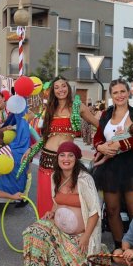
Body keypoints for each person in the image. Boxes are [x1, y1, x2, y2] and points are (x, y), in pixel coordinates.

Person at [22, 141, 106, 266]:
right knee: (33, 230)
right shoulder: (55, 176)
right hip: (58, 230)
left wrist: (86, 237)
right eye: (62, 155)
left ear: (76, 159)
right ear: (58, 158)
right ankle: (49, 258)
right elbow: (56, 201)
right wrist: (53, 212)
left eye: (70, 156)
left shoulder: (84, 179)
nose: (65, 159)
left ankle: (95, 251)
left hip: (81, 235)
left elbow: (94, 212)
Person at [92, 79, 133, 249]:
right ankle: (120, 246)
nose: (120, 95)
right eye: (115, 92)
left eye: (123, 91)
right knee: (112, 209)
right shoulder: (106, 114)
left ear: (129, 93)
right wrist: (101, 146)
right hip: (110, 167)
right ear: (111, 95)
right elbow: (97, 136)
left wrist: (120, 145)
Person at [20, 77, 99, 217]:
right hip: (47, 159)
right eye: (56, 87)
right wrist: (32, 149)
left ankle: (64, 235)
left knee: (64, 200)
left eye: (63, 86)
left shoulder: (77, 106)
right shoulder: (50, 108)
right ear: (53, 91)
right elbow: (46, 137)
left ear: (68, 87)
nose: (60, 90)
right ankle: (46, 233)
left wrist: (106, 142)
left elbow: (98, 124)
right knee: (46, 199)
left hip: (66, 161)